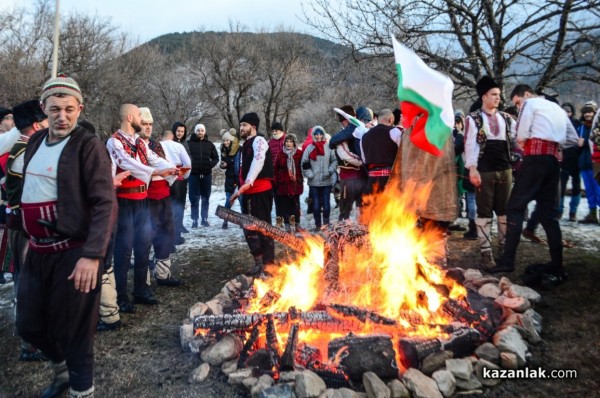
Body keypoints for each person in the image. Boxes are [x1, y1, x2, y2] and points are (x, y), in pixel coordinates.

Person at [15, 74, 116, 398]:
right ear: (43, 108)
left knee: (75, 331)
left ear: (79, 108)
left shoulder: (87, 146)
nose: (62, 116)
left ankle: (80, 389)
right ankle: (61, 372)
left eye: (69, 109)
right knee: (29, 324)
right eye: (55, 108)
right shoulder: (34, 142)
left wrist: (92, 255)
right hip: (38, 251)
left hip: (74, 253)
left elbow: (104, 203)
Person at [490, 84, 578, 282]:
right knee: (549, 215)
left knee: (515, 207)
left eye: (518, 102)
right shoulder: (558, 109)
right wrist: (555, 143)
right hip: (553, 163)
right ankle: (557, 264)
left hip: (535, 160)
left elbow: (520, 134)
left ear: (526, 94)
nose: (519, 107)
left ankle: (507, 261)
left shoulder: (530, 103)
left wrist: (525, 142)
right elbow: (573, 138)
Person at [106, 104, 177, 313]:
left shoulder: (139, 142)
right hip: (125, 202)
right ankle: (121, 296)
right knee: (124, 250)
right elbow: (127, 163)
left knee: (143, 245)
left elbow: (153, 158)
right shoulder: (114, 142)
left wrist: (170, 169)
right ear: (130, 117)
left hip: (143, 199)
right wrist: (156, 171)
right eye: (139, 115)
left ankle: (141, 290)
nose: (141, 119)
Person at [6, 100, 49, 360]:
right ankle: (29, 343)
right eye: (45, 121)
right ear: (36, 125)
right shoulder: (24, 152)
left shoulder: (28, 148)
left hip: (28, 225)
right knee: (27, 284)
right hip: (24, 227)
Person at [464, 76, 516, 269]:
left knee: (504, 211)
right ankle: (486, 251)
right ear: (484, 96)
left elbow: (517, 141)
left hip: (505, 169)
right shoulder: (473, 118)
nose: (498, 98)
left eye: (499, 95)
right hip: (484, 170)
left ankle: (503, 248)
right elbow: (470, 145)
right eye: (494, 95)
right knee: (484, 212)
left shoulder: (506, 118)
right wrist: (473, 169)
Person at [137, 108, 182, 286]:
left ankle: (163, 275)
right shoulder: (133, 145)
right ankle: (144, 280)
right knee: (146, 236)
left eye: (150, 124)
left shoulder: (156, 145)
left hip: (163, 194)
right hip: (145, 198)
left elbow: (165, 166)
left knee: (167, 233)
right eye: (144, 124)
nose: (148, 128)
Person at [230, 112, 275, 277]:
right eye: (240, 125)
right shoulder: (243, 147)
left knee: (263, 229)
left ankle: (270, 267)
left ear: (253, 127)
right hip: (247, 193)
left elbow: (258, 161)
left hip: (260, 192)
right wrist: (239, 189)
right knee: (248, 229)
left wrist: (248, 183)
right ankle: (258, 261)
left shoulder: (260, 141)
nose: (241, 128)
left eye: (244, 125)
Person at [329, 106, 369, 220]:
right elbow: (344, 154)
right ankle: (343, 236)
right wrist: (361, 162)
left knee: (362, 210)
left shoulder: (361, 130)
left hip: (362, 178)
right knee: (345, 211)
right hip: (349, 179)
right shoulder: (341, 136)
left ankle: (362, 235)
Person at [301, 126, 338, 230]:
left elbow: (334, 161)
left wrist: (330, 170)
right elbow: (304, 163)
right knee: (316, 205)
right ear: (313, 135)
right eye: (316, 134)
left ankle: (326, 223)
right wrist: (310, 175)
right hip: (314, 182)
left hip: (327, 181)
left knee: (326, 204)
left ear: (323, 134)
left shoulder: (328, 147)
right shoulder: (309, 148)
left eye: (320, 134)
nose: (318, 136)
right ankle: (318, 224)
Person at [360, 108, 402, 194]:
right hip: (391, 179)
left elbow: (364, 160)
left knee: (373, 207)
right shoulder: (395, 132)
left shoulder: (364, 137)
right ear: (391, 119)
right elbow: (402, 155)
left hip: (372, 180)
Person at [161, 129, 191, 243]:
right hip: (178, 180)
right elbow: (188, 163)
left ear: (162, 136)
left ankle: (165, 237)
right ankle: (176, 236)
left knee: (166, 209)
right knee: (178, 207)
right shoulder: (178, 146)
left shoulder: (157, 146)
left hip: (163, 180)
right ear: (172, 137)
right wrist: (185, 176)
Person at [187, 123, 219, 228]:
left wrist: (210, 165)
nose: (200, 132)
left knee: (205, 198)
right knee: (194, 198)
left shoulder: (209, 144)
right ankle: (194, 220)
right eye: (198, 130)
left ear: (204, 132)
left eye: (202, 130)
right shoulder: (189, 143)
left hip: (206, 175)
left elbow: (216, 158)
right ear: (195, 132)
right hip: (193, 175)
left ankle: (204, 219)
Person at [274, 133, 304, 231]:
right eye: (287, 141)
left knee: (295, 205)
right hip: (283, 184)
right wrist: (277, 180)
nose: (288, 143)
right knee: (285, 206)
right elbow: (275, 169)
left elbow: (302, 168)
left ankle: (297, 224)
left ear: (294, 143)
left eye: (291, 141)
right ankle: (287, 225)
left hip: (295, 184)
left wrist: (299, 178)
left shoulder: (299, 154)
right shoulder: (280, 154)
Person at [576, 102, 600, 224]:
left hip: (596, 163)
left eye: (590, 112)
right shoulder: (580, 127)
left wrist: (584, 142)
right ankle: (592, 214)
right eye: (585, 112)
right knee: (589, 190)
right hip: (584, 163)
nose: (587, 114)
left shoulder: (597, 127)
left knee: (598, 189)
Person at [559, 103, 582, 221]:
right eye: (564, 110)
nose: (567, 113)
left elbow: (581, 141)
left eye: (568, 111)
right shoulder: (557, 124)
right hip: (563, 160)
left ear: (572, 112)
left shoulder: (578, 124)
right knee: (561, 186)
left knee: (576, 186)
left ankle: (573, 212)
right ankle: (559, 211)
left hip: (576, 160)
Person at [169, 122, 189, 237]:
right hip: (173, 178)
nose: (180, 133)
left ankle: (179, 224)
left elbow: (189, 158)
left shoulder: (185, 144)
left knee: (181, 203)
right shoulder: (170, 143)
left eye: (182, 131)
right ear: (174, 131)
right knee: (174, 204)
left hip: (183, 178)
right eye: (178, 131)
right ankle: (173, 228)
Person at [219, 128, 240, 229]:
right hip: (229, 178)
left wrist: (229, 163)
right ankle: (225, 220)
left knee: (242, 200)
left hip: (239, 178)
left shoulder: (239, 149)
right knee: (228, 200)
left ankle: (244, 221)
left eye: (227, 140)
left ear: (231, 140)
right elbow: (224, 163)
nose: (225, 142)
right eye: (224, 140)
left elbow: (239, 163)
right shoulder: (223, 150)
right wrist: (223, 165)